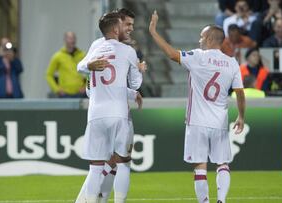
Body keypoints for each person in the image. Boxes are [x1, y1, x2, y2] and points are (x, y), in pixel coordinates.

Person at [149, 10, 245, 203]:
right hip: (220, 122)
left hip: (197, 122)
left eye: (201, 37)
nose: (199, 40)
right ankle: (222, 200)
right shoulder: (232, 63)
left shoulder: (198, 56)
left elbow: (170, 53)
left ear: (210, 39)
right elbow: (240, 93)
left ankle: (204, 202)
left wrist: (153, 30)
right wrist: (241, 117)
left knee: (200, 166)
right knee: (222, 163)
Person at [75, 8, 146, 203]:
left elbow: (83, 70)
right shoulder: (127, 51)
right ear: (117, 27)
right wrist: (139, 70)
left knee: (98, 166)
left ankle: (95, 200)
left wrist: (88, 68)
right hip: (118, 113)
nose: (130, 29)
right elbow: (135, 82)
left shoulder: (97, 48)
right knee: (122, 163)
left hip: (96, 112)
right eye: (127, 25)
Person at [46, 32, 86, 98]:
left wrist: (86, 87)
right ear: (65, 40)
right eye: (70, 38)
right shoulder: (58, 56)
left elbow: (90, 73)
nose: (72, 40)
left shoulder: (82, 55)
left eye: (74, 38)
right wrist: (57, 89)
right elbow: (49, 75)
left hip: (80, 93)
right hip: (65, 94)